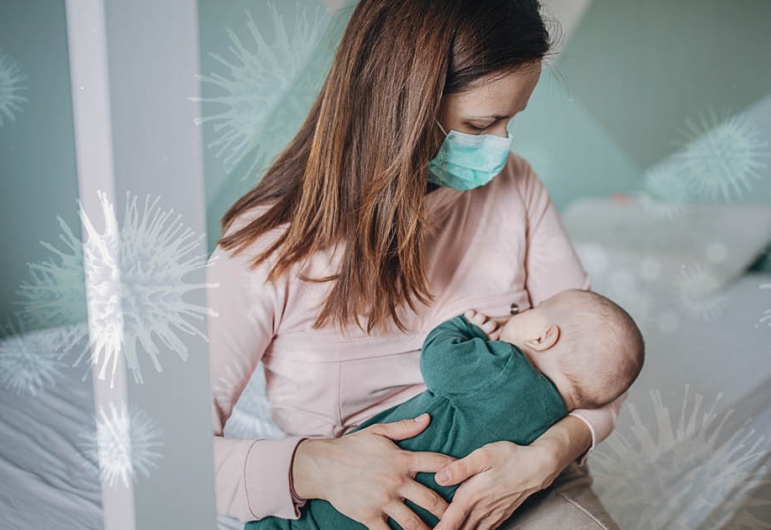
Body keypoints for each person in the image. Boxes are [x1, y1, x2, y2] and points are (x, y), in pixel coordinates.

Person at [209, 1, 627, 529]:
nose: (501, 147)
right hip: (359, 511)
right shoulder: (270, 244)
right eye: (482, 123)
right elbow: (173, 454)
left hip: (525, 484)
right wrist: (311, 468)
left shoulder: (515, 188)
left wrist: (542, 460)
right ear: (399, 106)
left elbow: (598, 365)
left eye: (511, 121)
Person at [246, 289, 645, 530]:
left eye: (528, 309)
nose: (516, 314)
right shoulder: (553, 418)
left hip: (369, 487)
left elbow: (438, 362)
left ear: (544, 336)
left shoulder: (505, 366)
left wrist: (463, 328)